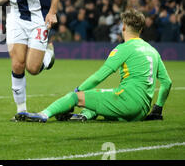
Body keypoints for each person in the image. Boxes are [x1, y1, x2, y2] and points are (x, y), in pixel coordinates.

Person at [25, 9, 172, 123]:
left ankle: (43, 115)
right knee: (101, 99)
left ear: (124, 27)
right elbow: (167, 82)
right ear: (140, 30)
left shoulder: (123, 48)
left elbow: (99, 76)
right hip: (142, 110)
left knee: (75, 97)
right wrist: (157, 109)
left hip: (127, 102)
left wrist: (78, 91)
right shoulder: (153, 50)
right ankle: (84, 116)